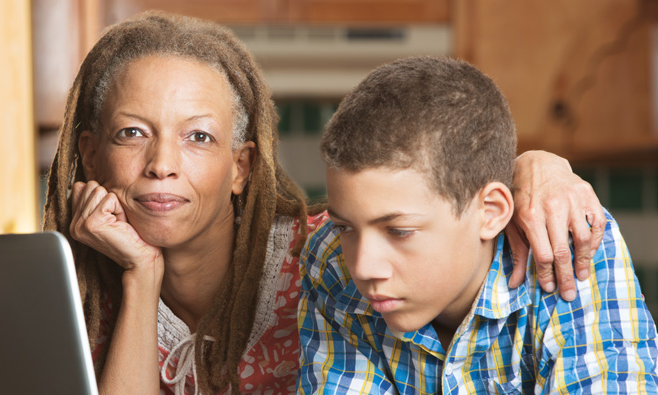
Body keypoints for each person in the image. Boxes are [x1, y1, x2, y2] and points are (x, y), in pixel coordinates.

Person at [42, 11, 605, 395]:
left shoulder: (332, 254)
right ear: (90, 156)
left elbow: (436, 188)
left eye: (199, 137)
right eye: (132, 134)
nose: (162, 164)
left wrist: (539, 166)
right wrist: (142, 275)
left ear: (241, 167)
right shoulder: (72, 294)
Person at [298, 56, 658, 394]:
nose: (363, 266)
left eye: (399, 231)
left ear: (490, 212)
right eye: (346, 227)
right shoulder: (332, 261)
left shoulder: (572, 243)